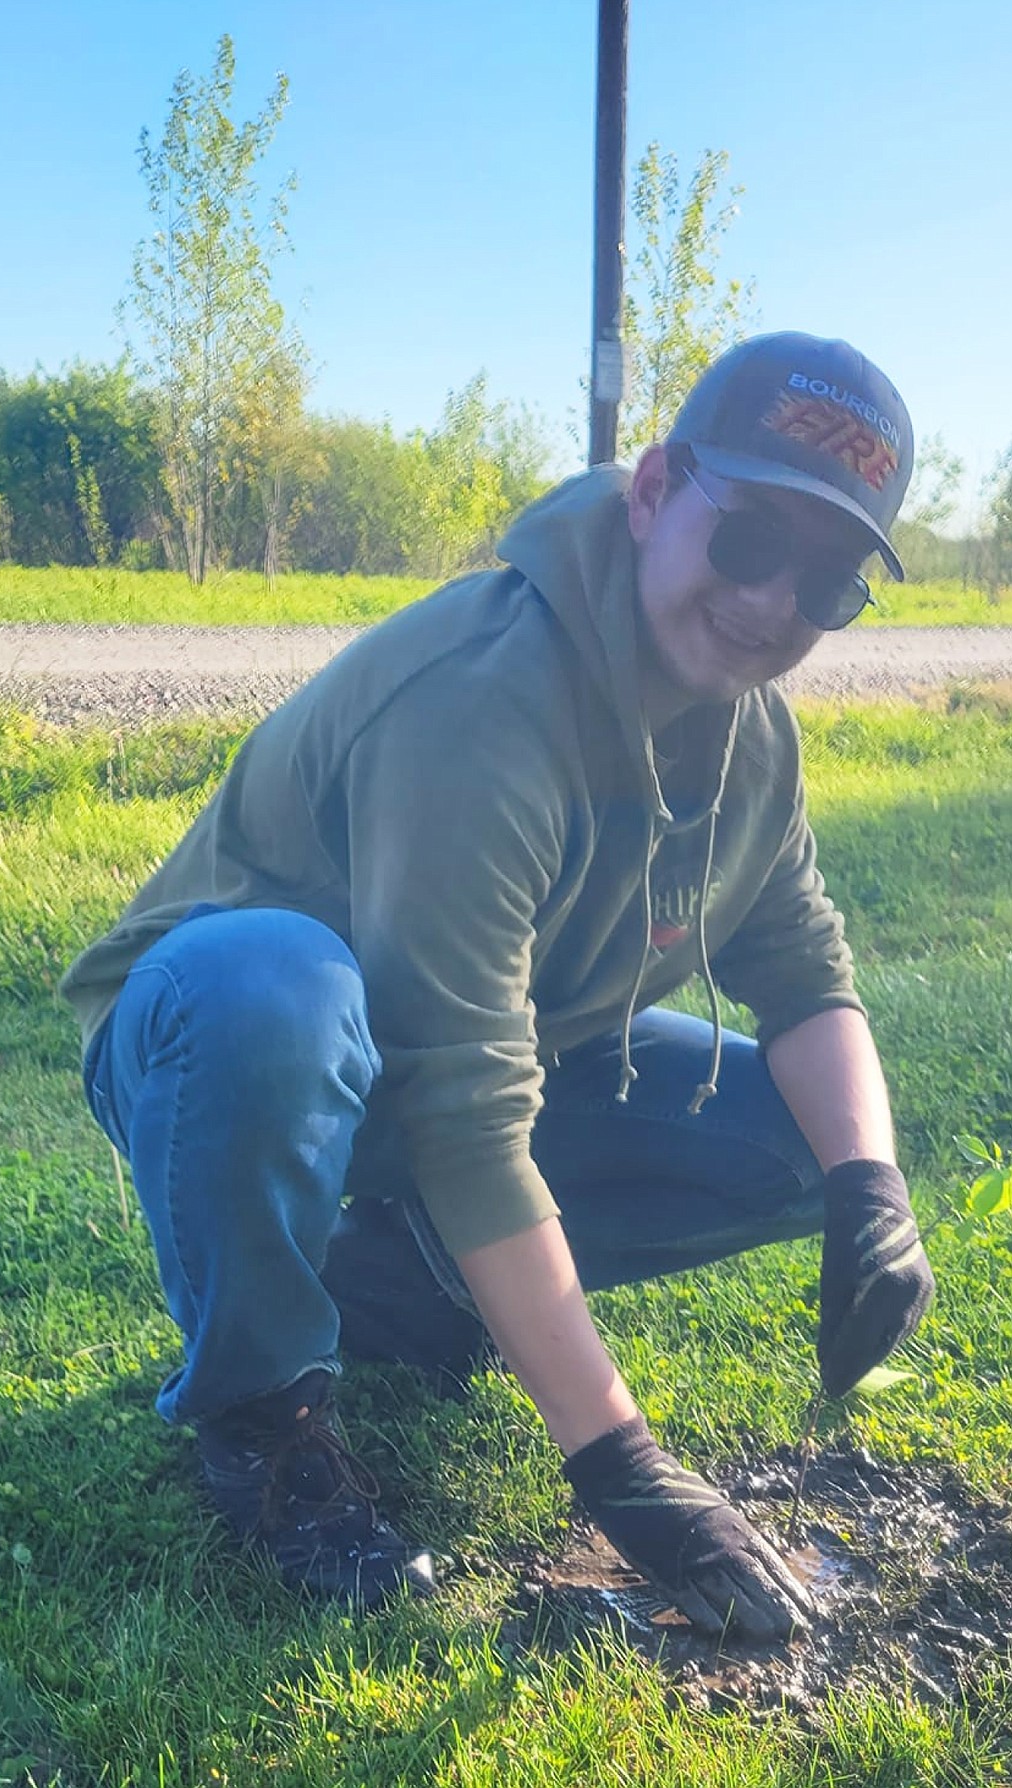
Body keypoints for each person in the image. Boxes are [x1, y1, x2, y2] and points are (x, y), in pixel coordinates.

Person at [61, 332, 935, 1640]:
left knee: (804, 1142)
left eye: (829, 583)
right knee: (273, 991)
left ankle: (406, 1276)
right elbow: (465, 1107)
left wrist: (873, 1194)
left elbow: (805, 973)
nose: (774, 606)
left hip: (476, 1055)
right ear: (651, 495)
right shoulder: (486, 697)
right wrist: (622, 1469)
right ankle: (266, 1417)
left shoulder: (751, 742)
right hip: (227, 1049)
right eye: (752, 542)